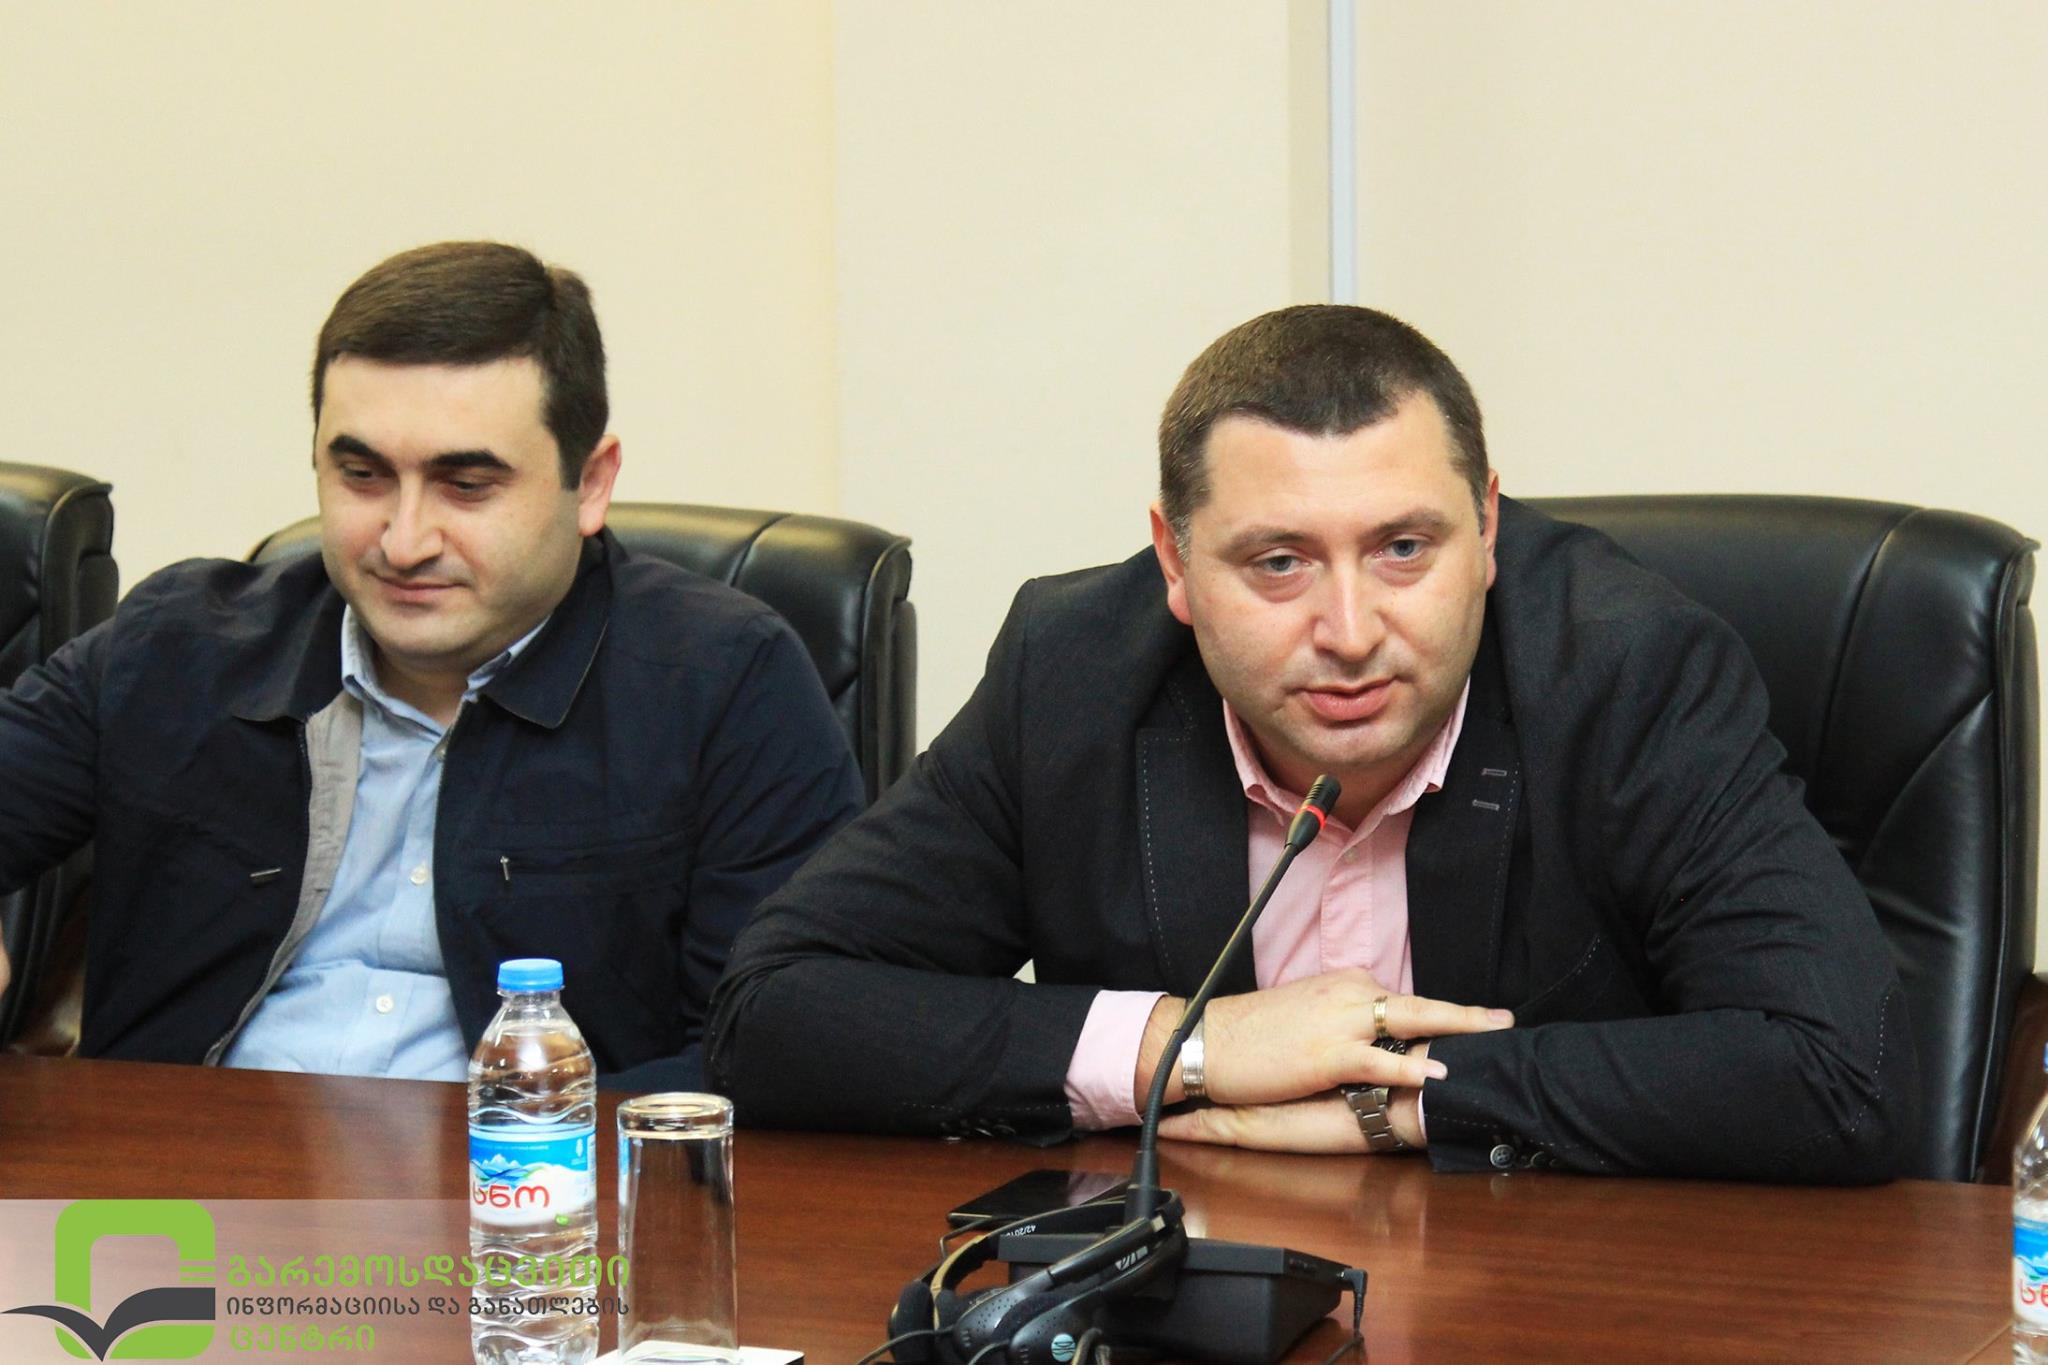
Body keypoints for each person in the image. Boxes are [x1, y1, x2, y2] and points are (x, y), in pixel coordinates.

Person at [707, 304, 1917, 1179]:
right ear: (1174, 562)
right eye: (1277, 562)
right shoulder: (1074, 672)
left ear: (1486, 529)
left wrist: (1400, 1101)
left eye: (1404, 549)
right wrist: (1189, 1047)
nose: (1348, 631)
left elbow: (1842, 1075)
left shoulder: (1627, 672)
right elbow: (773, 1012)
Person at [0, 241, 863, 1088]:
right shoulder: (179, 644)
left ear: (592, 482)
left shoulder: (728, 683)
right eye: (362, 474)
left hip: (535, 1173)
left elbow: (764, 1050)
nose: (404, 541)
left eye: (466, 485)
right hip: (175, 1170)